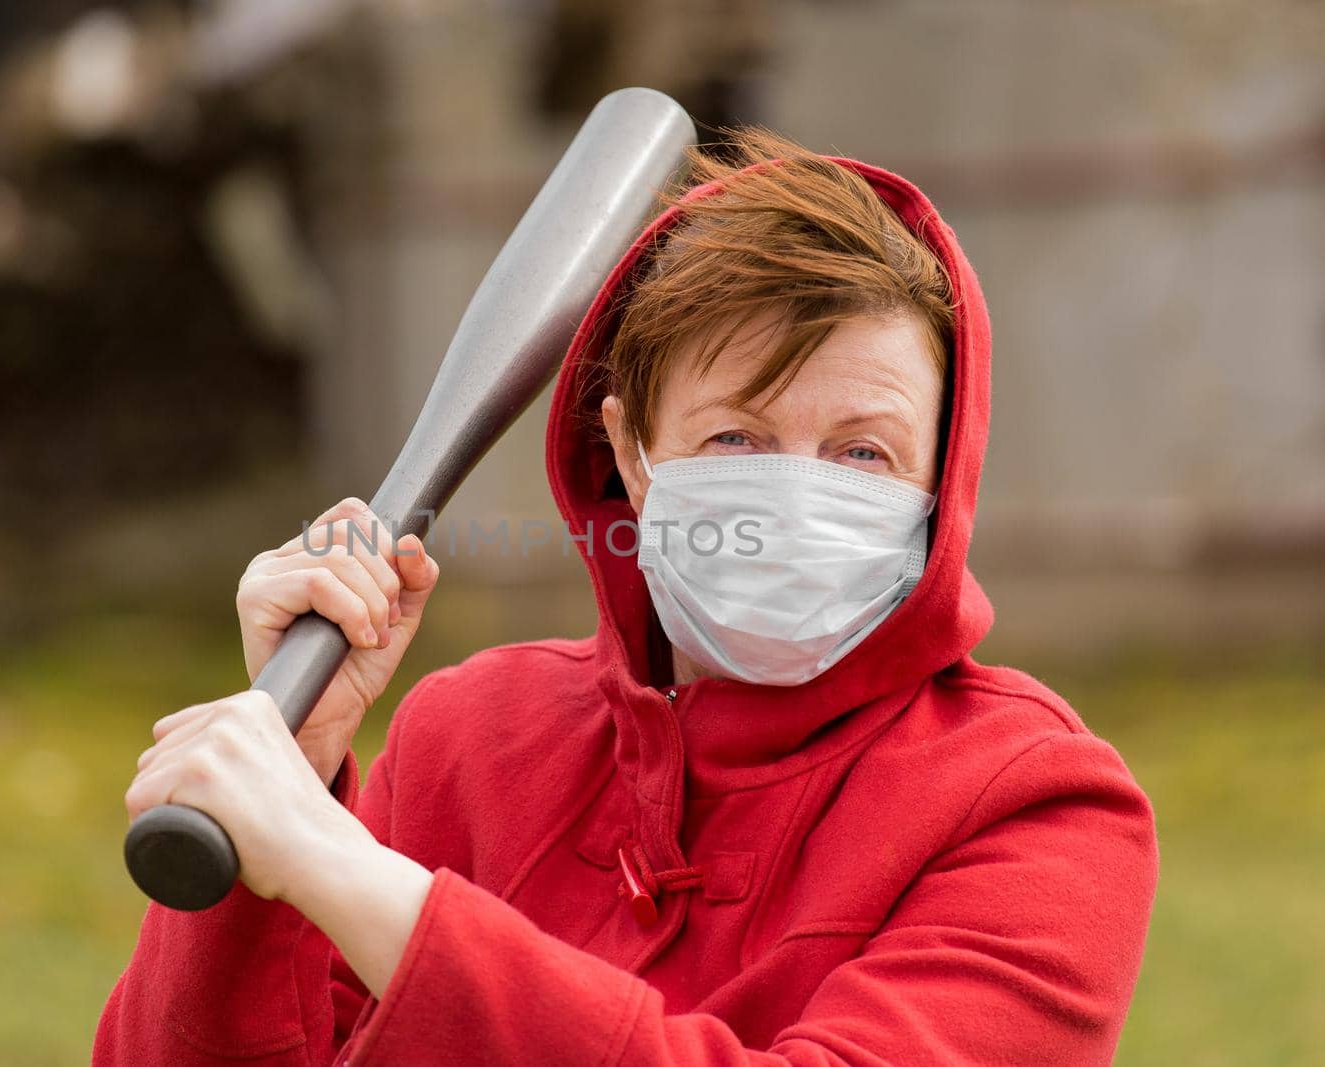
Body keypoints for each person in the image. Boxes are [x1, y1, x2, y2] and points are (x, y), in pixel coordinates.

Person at [96, 128, 1158, 1066]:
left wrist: (353, 879)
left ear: (943, 479)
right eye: (734, 437)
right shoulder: (466, 741)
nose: (792, 493)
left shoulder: (1039, 809)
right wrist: (290, 771)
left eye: (862, 453)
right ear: (631, 455)